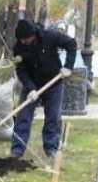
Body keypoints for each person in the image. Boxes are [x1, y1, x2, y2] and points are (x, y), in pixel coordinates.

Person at [11, 19, 76, 161]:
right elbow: (21, 70)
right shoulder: (18, 47)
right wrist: (30, 88)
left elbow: (71, 44)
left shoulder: (50, 36)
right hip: (32, 85)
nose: (23, 42)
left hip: (53, 83)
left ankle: (51, 148)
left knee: (53, 117)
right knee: (23, 117)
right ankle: (17, 149)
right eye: (20, 39)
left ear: (32, 35)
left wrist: (68, 66)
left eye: (25, 39)